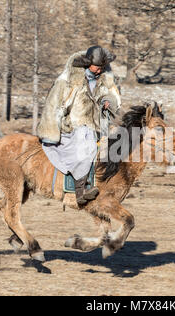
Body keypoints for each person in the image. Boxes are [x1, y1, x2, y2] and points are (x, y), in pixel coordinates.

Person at [37, 46, 122, 205]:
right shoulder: (68, 81)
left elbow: (113, 97)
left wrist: (107, 102)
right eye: (97, 67)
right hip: (73, 125)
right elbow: (54, 104)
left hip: (97, 126)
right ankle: (80, 190)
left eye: (102, 68)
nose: (99, 71)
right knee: (85, 144)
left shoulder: (105, 79)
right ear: (87, 64)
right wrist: (52, 129)